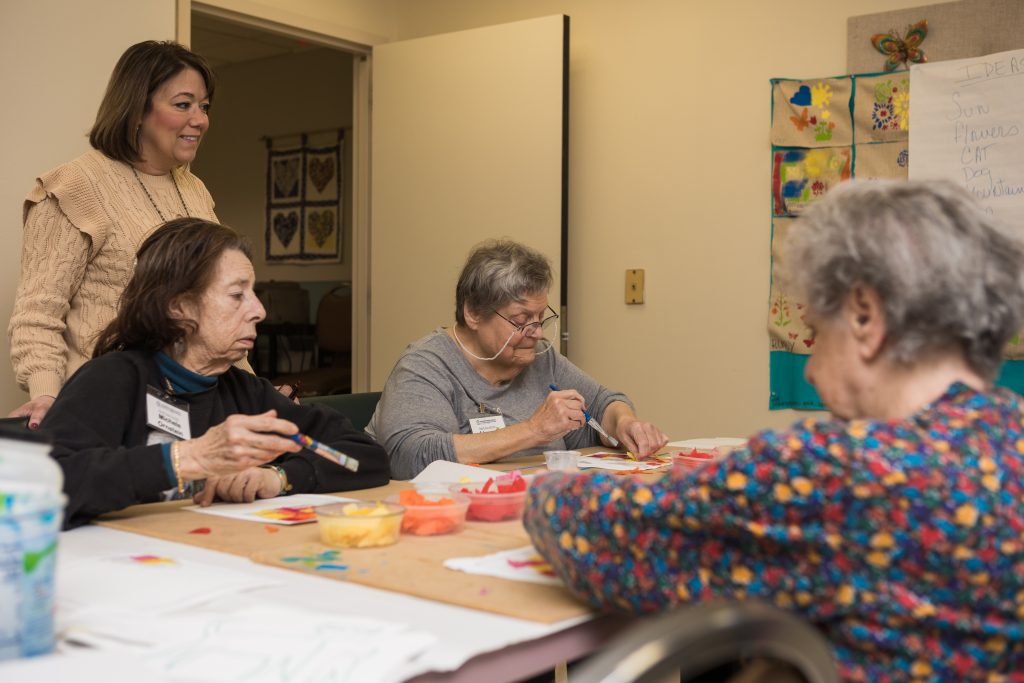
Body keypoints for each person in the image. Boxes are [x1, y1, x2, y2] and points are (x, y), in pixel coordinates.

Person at [524, 180, 1024, 679]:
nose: (809, 369)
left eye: (817, 335)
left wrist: (542, 490)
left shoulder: (840, 470)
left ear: (866, 318)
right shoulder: (1010, 434)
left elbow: (597, 534)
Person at [42, 218, 390, 529]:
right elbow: (45, 484)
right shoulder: (112, 380)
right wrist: (188, 458)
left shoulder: (247, 394)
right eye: (238, 295)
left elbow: (363, 457)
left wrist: (280, 477)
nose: (260, 310)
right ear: (179, 307)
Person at [8, 41, 221, 428]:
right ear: (137, 110)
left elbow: (218, 308)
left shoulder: (195, 190)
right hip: (106, 411)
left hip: (196, 408)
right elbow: (38, 313)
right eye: (183, 104)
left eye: (203, 107)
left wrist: (251, 388)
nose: (200, 119)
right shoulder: (74, 187)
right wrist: (46, 395)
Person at [367, 239, 667, 480]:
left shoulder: (540, 358)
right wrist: (534, 430)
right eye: (521, 319)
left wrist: (625, 422)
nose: (536, 333)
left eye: (540, 318)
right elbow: (410, 456)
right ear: (473, 313)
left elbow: (602, 402)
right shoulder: (426, 365)